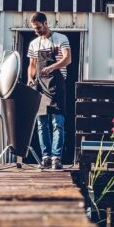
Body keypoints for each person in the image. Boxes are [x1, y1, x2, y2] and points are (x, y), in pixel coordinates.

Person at [27, 12, 71, 170]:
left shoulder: (61, 39)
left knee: (57, 123)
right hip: (40, 87)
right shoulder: (34, 43)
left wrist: (51, 67)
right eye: (34, 29)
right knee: (41, 124)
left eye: (38, 27)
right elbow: (32, 64)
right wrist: (30, 79)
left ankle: (56, 158)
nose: (36, 31)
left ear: (45, 23)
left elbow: (67, 59)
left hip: (57, 86)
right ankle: (45, 157)